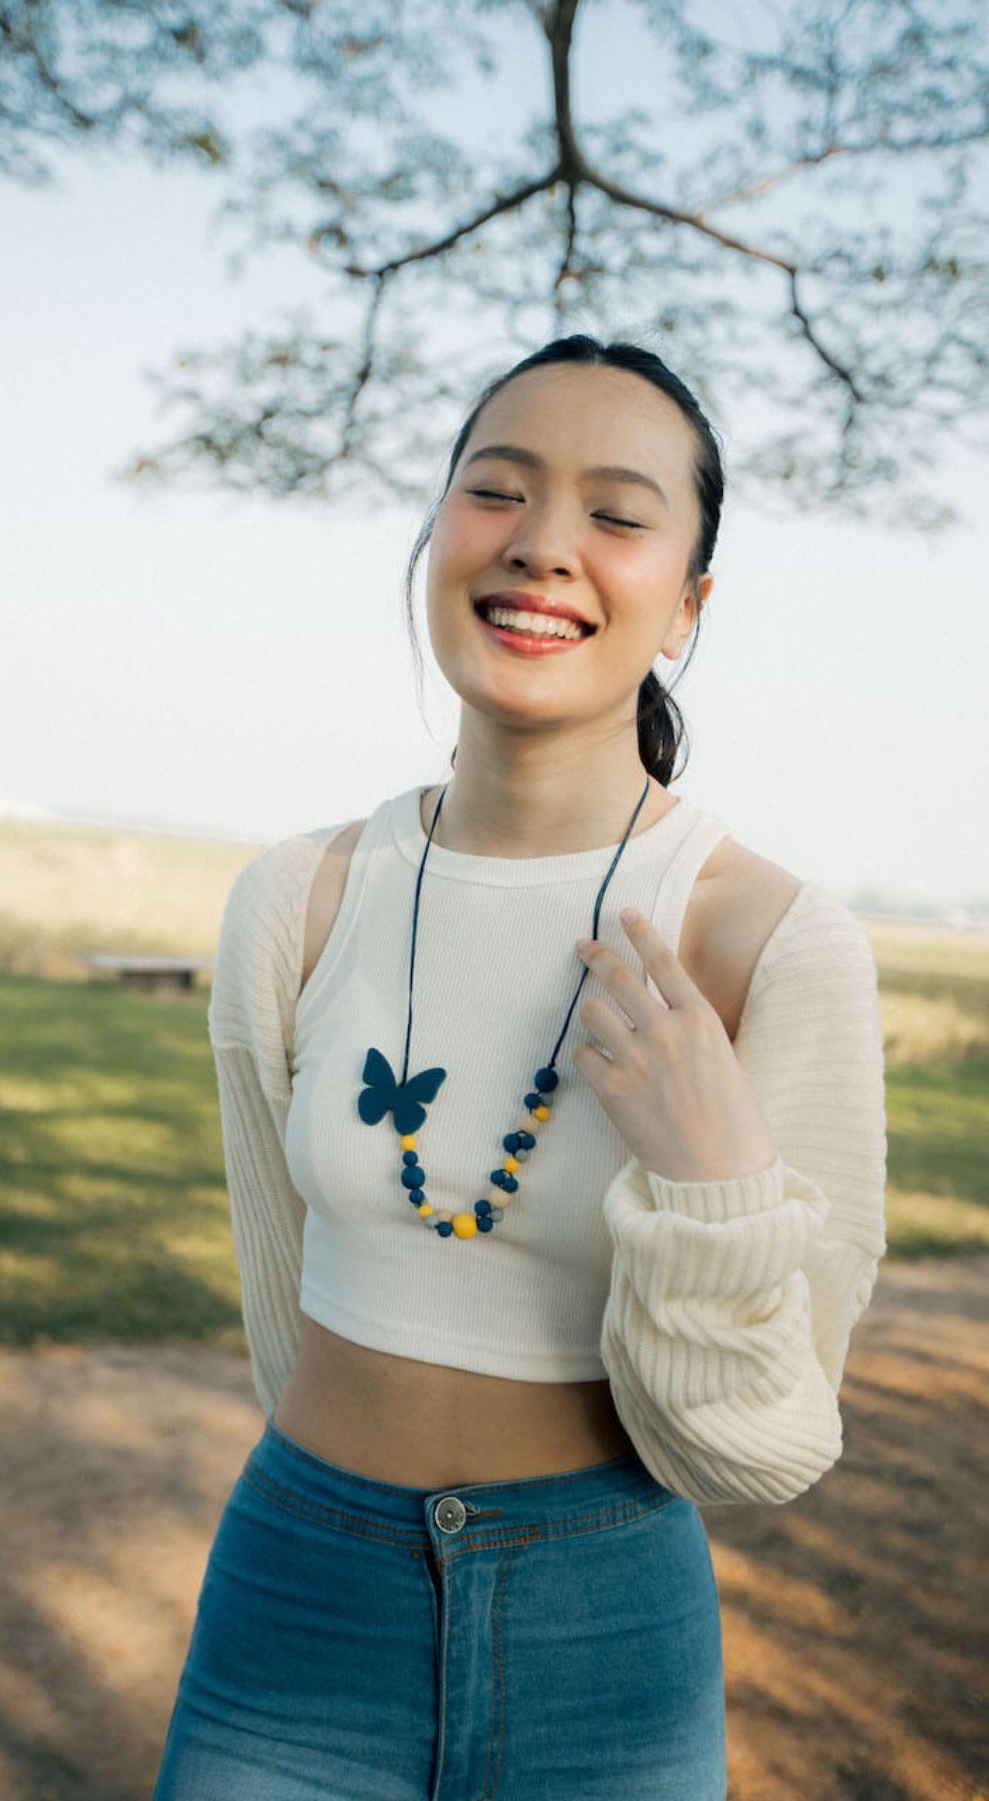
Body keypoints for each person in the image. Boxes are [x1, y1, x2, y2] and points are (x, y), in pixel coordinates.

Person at [150, 335, 888, 1801]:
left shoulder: (774, 940)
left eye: (617, 514)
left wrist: (713, 1176)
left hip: (603, 1624)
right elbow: (281, 1293)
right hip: (300, 1589)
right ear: (437, 536)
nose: (544, 546)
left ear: (687, 604)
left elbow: (767, 1444)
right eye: (496, 491)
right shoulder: (296, 898)